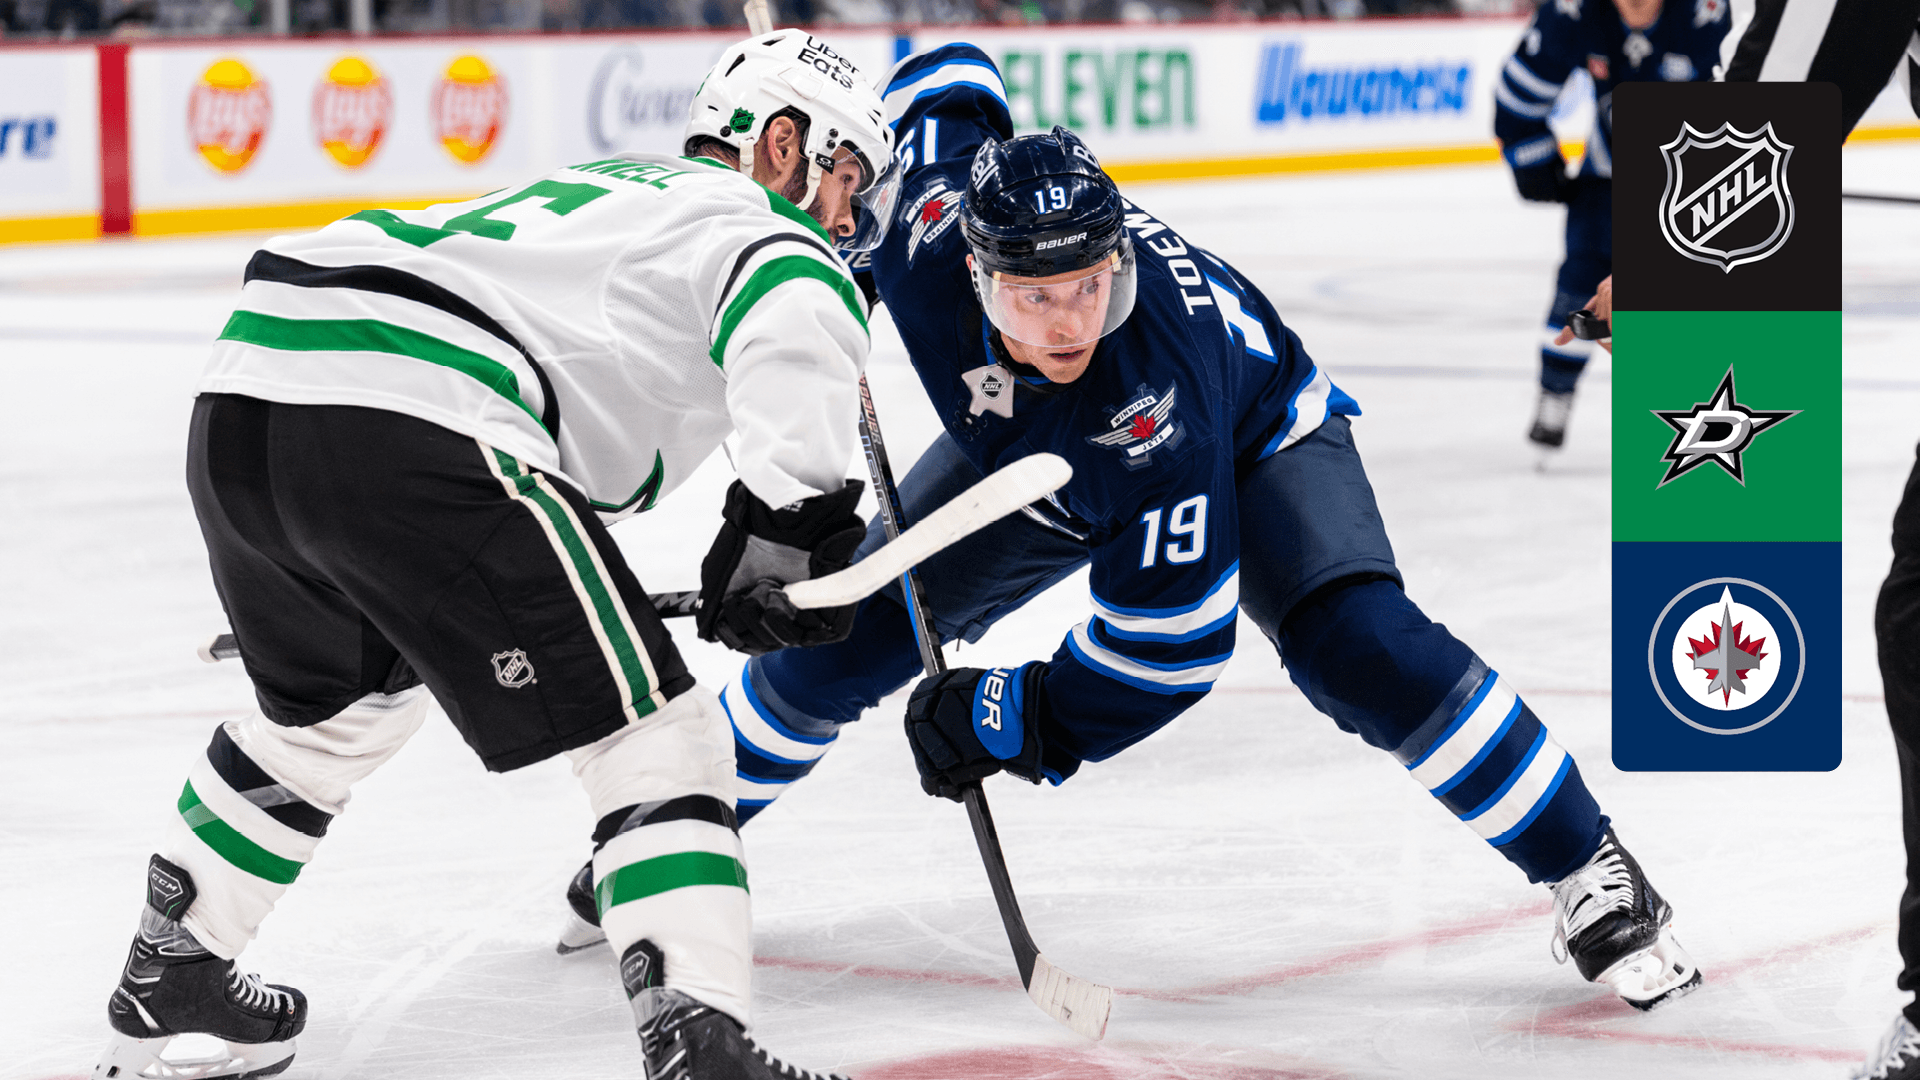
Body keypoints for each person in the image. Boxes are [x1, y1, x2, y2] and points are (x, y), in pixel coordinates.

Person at [560, 43, 1705, 1015]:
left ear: (1119, 266)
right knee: (843, 635)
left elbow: (1172, 648)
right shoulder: (920, 214)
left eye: (1092, 288)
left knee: (1357, 646)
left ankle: (1588, 861)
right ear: (975, 270)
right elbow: (949, 77)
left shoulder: (1154, 400)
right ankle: (674, 840)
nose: (1069, 322)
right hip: (1033, 454)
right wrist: (836, 221)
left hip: (1248, 434)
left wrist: (1016, 715)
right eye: (1034, 296)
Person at [91, 28, 898, 1080]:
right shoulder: (760, 226)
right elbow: (793, 311)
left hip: (251, 391)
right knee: (656, 732)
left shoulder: (616, 191)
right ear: (783, 144)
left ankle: (174, 966)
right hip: (418, 410)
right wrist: (788, 534)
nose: (849, 220)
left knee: (337, 712)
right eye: (847, 180)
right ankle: (700, 1045)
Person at [1494, 0, 1727, 452]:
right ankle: (1556, 389)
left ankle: (1705, 410)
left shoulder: (1710, 14)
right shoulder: (1575, 11)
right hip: (1608, 181)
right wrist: (1531, 156)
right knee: (1580, 286)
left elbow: (1759, 96)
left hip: (1696, 184)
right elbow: (1520, 92)